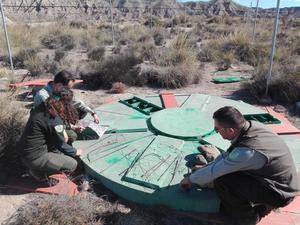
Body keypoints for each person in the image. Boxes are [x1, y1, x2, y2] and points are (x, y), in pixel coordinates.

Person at [180, 106, 300, 225]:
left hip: (281, 193)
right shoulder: (252, 126)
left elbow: (216, 171)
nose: (216, 131)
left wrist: (190, 179)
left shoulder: (247, 152)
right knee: (227, 172)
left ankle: (248, 218)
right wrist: (206, 168)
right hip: (283, 182)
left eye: (217, 129)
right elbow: (227, 156)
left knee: (223, 181)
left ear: (230, 130)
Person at [19, 94, 83, 181]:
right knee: (73, 164)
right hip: (35, 158)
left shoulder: (39, 109)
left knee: (68, 138)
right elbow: (61, 144)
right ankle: (38, 172)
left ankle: (38, 167)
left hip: (25, 152)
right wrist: (75, 152)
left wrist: (66, 128)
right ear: (53, 109)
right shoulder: (53, 121)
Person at [34, 70, 100, 124]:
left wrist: (93, 113)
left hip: (59, 117)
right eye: (67, 88)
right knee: (72, 136)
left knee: (81, 111)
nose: (68, 91)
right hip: (48, 122)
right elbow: (50, 117)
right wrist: (71, 126)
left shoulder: (61, 91)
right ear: (59, 85)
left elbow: (77, 103)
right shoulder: (42, 96)